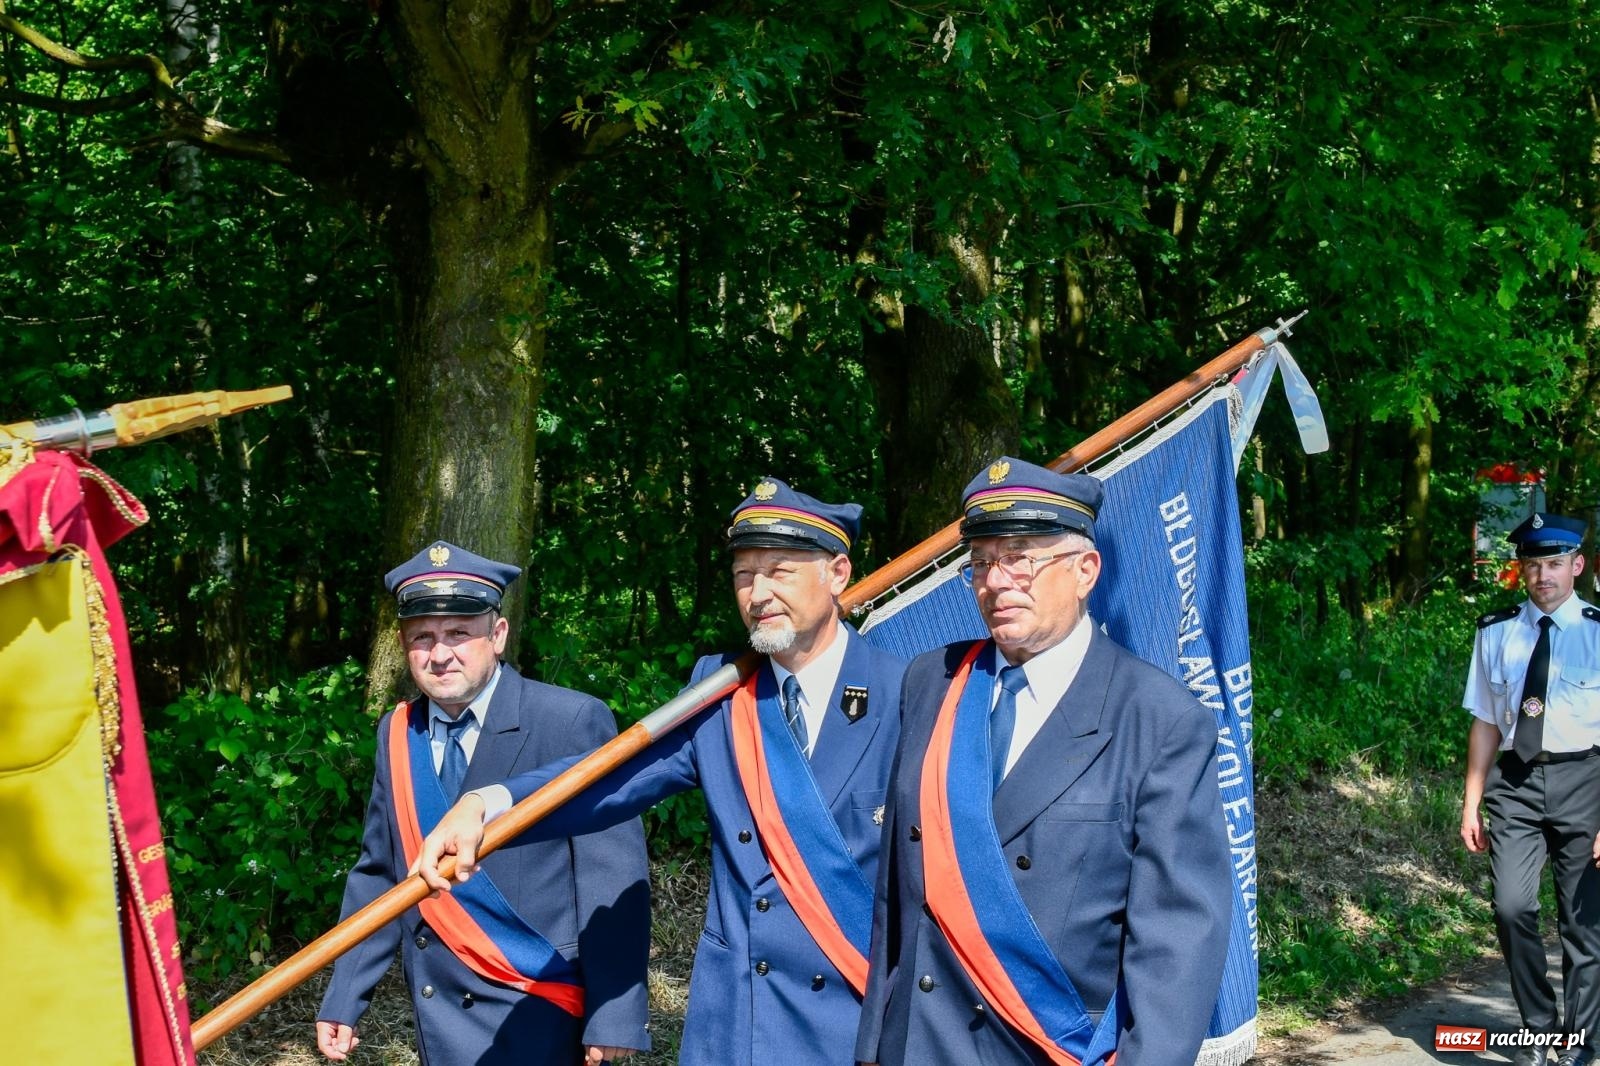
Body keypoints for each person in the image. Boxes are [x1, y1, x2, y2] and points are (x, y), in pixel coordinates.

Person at [413, 479, 907, 1065]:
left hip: (852, 1017)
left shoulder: (906, 691)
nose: (758, 592)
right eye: (744, 574)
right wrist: (489, 802)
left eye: (780, 570)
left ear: (838, 573)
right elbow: (612, 777)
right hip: (739, 1023)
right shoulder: (722, 688)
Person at [855, 456, 1233, 1066]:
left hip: (1042, 1048)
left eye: (1021, 557)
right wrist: (873, 1044)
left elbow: (1176, 943)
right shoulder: (934, 680)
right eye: (980, 562)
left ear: (1085, 571)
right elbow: (895, 894)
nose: (996, 581)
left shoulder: (1159, 720)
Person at [316, 541, 650, 1066]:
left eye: (458, 633)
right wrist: (345, 995)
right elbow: (382, 871)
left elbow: (610, 872)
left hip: (539, 1005)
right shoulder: (398, 732)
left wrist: (614, 1014)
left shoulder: (569, 721)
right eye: (421, 637)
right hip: (439, 1009)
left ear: (497, 635)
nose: (439, 653)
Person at [1462, 513, 1600, 1066]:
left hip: (1586, 780)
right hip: (1515, 783)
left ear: (1577, 565)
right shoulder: (1496, 631)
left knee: (1583, 922)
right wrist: (1471, 800)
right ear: (1521, 570)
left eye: (1554, 563)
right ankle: (1539, 1029)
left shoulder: (1597, 631)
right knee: (1511, 906)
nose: (1544, 575)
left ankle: (1582, 1042)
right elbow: (1486, 722)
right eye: (1533, 564)